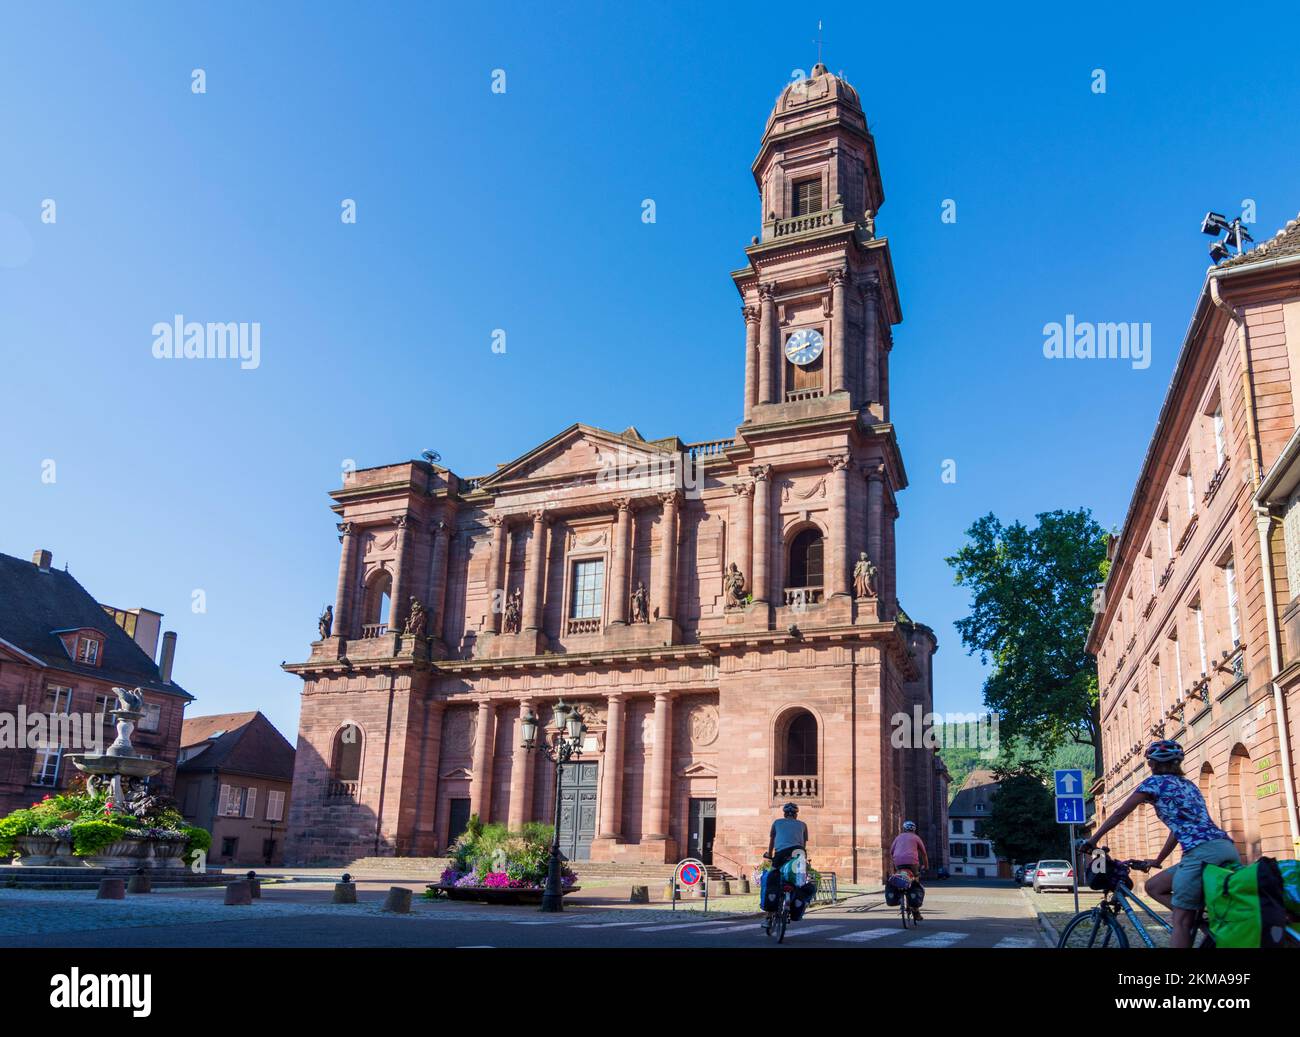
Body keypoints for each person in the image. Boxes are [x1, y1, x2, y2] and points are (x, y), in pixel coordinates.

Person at [1082, 739, 1240, 949]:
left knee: (1182, 922)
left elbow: (1121, 813)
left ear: (1152, 764)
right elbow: (1180, 829)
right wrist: (1158, 860)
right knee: (1154, 886)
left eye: (1150, 762)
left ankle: (1190, 924)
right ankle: (1205, 926)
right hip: (1226, 847)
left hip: (1200, 853)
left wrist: (1092, 840)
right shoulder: (1189, 785)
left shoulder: (1152, 784)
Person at [764, 803, 810, 912]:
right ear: (796, 815)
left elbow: (772, 841)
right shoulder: (803, 825)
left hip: (781, 853)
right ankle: (796, 902)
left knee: (773, 876)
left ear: (784, 814)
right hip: (799, 853)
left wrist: (769, 855)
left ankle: (769, 914)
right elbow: (803, 844)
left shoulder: (777, 823)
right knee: (800, 880)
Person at [890, 820, 929, 919]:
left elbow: (891, 851)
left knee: (899, 877)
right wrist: (926, 866)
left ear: (904, 829)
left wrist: (894, 864)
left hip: (898, 862)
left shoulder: (898, 837)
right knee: (915, 881)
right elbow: (924, 853)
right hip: (912, 863)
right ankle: (916, 911)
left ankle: (899, 896)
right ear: (914, 829)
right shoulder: (916, 837)